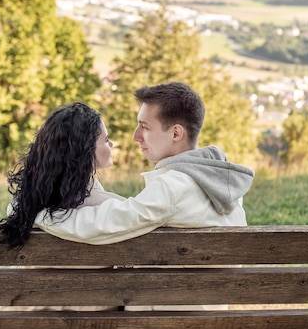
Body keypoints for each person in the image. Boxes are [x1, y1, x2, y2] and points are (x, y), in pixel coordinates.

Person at [34, 81, 255, 245]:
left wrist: (37, 213)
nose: (135, 136)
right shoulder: (223, 181)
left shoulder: (172, 188)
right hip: (210, 304)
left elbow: (101, 224)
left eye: (145, 127)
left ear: (176, 133)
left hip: (167, 306)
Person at [0, 102, 123, 249]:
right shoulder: (103, 203)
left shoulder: (27, 204)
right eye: (106, 140)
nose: (111, 144)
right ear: (85, 150)